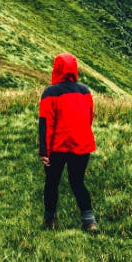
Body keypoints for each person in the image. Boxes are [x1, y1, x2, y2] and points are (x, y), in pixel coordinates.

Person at [38, 52, 98, 233]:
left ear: (56, 69)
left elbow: (45, 123)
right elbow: (89, 117)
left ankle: (50, 220)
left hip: (58, 146)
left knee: (52, 182)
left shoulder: (50, 93)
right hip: (81, 144)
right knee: (77, 181)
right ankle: (89, 221)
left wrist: (44, 150)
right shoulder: (85, 91)